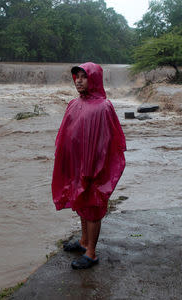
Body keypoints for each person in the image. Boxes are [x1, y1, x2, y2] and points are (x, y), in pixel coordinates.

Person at [52, 62, 126, 269]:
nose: (79, 80)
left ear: (94, 79)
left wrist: (96, 168)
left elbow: (109, 142)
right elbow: (65, 135)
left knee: (92, 207)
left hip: (95, 168)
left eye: (84, 76)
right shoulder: (74, 104)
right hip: (77, 165)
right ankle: (84, 242)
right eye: (77, 77)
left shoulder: (104, 107)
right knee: (82, 204)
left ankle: (91, 253)